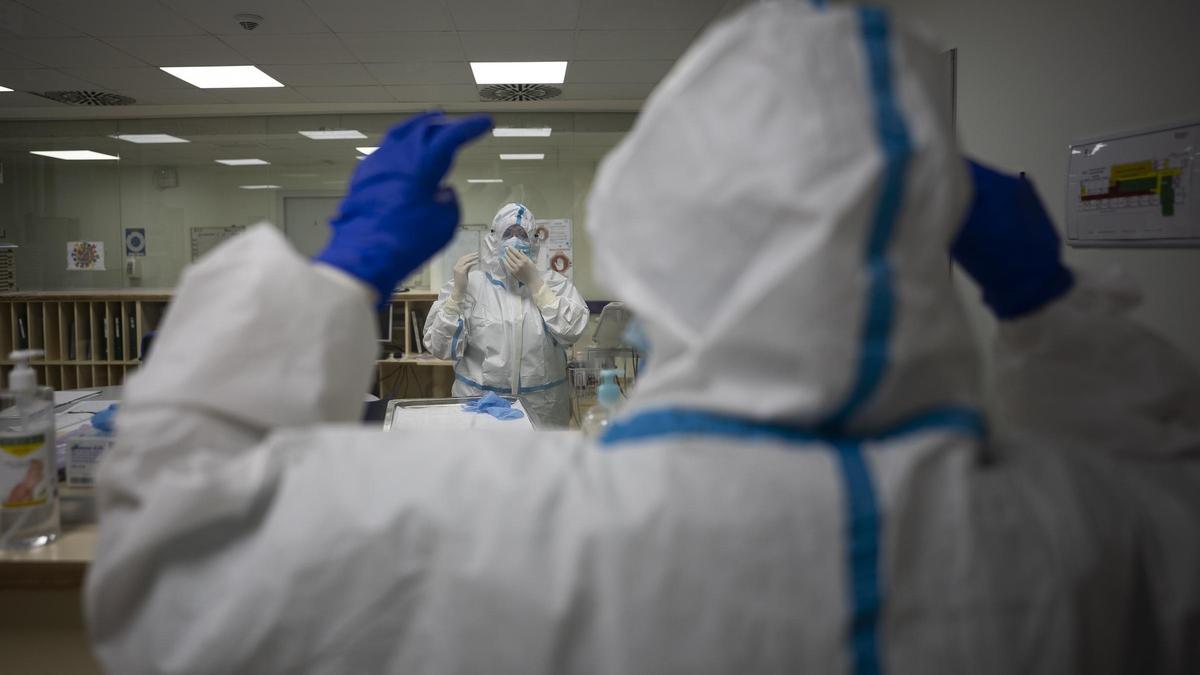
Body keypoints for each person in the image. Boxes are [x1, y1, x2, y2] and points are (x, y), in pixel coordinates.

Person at [85, 3, 1199, 674]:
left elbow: (168, 541)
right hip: (485, 402)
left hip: (551, 414)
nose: (516, 243)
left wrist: (342, 271)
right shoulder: (1077, 536)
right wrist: (1054, 309)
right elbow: (1167, 489)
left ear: (654, 233)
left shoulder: (507, 535)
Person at [423, 202, 588, 427]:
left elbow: (572, 332)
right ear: (494, 240)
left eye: (521, 234)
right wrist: (456, 295)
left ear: (533, 241)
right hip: (480, 409)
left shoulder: (555, 285)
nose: (514, 241)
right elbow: (441, 348)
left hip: (543, 411)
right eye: (507, 233)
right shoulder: (472, 286)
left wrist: (535, 284)